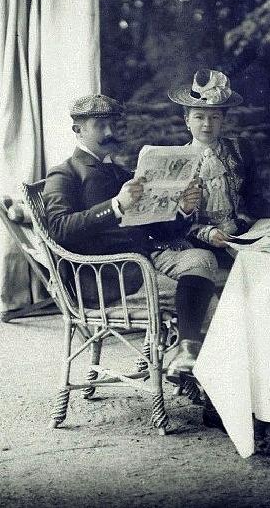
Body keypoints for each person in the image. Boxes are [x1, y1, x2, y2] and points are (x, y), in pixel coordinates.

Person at [42, 93, 220, 380]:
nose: (110, 132)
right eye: (100, 125)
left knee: (201, 258)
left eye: (113, 124)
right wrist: (116, 206)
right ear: (78, 130)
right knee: (208, 302)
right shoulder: (64, 174)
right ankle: (198, 375)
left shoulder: (120, 172)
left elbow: (152, 228)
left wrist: (183, 209)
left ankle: (186, 356)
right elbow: (59, 229)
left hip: (143, 259)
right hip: (107, 276)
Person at [167, 69, 260, 259]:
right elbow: (171, 223)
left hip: (242, 236)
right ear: (187, 120)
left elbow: (254, 197)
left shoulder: (240, 149)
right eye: (199, 117)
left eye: (215, 117)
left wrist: (242, 222)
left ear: (223, 119)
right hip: (198, 245)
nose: (207, 124)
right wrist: (206, 233)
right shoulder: (176, 162)